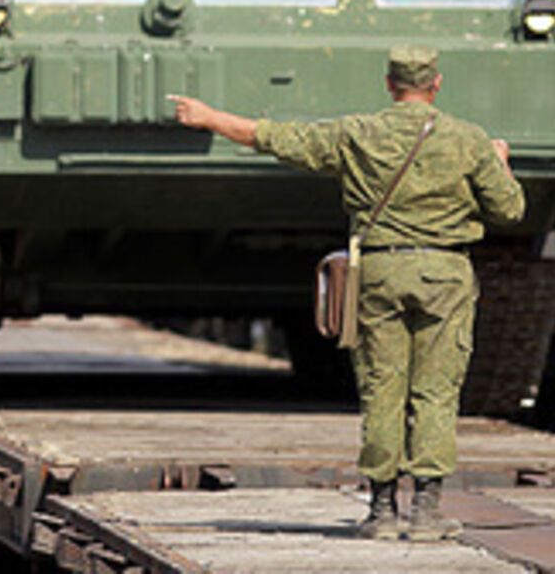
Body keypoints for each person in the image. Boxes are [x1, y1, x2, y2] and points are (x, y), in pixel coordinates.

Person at [168, 45, 523, 541]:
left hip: (379, 271)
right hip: (445, 275)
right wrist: (501, 162)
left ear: (389, 84)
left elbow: (276, 138)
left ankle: (380, 513)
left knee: (382, 388)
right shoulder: (470, 140)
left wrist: (209, 117)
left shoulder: (358, 133)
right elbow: (509, 211)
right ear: (436, 83)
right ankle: (425, 512)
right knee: (435, 392)